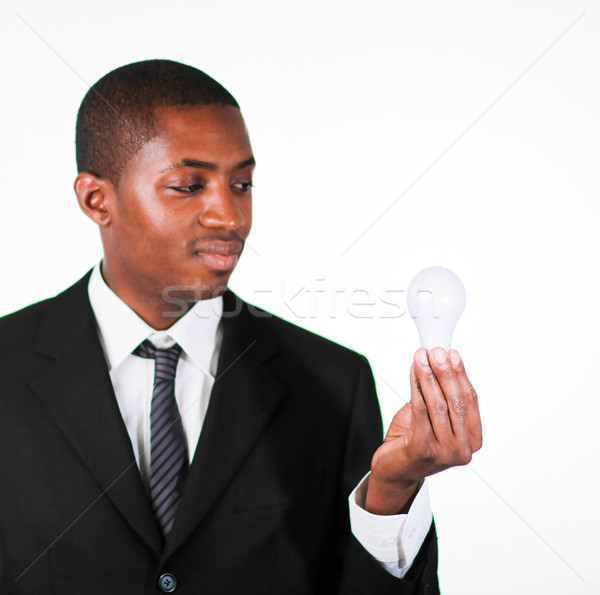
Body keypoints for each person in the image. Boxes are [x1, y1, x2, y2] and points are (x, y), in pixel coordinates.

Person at [0, 59, 481, 594]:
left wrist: (391, 492)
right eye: (189, 185)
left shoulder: (331, 383)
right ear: (96, 199)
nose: (230, 217)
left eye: (242, 183)